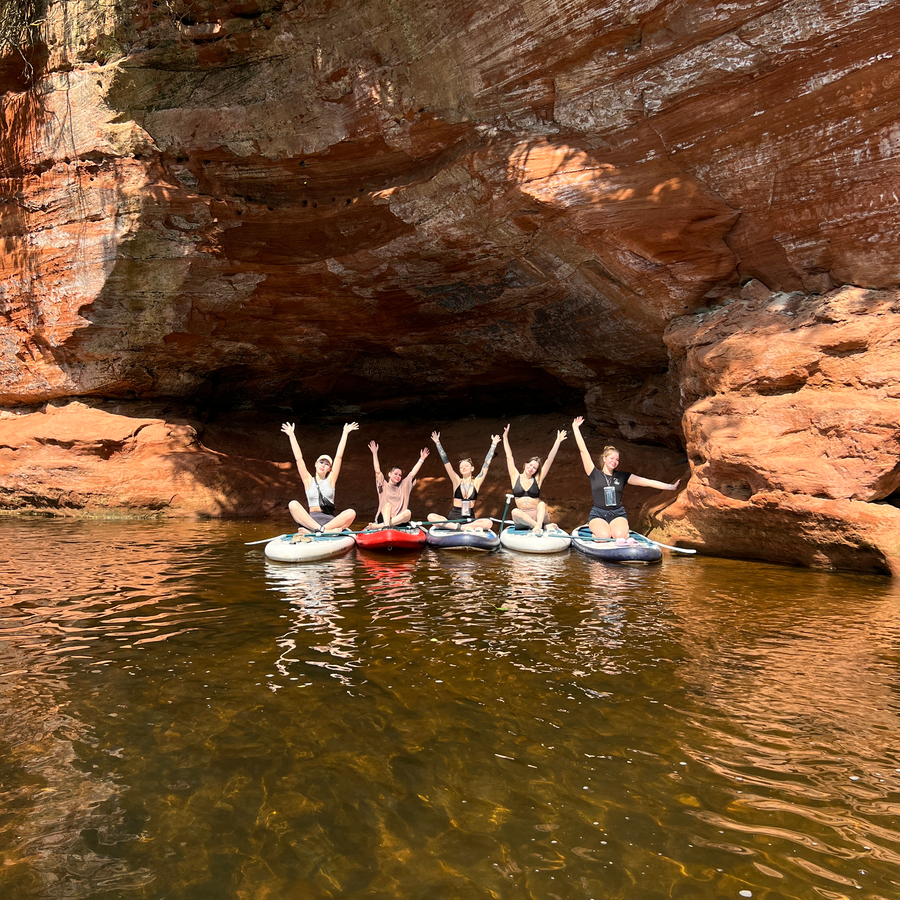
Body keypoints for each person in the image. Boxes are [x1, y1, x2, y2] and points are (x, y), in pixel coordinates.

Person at [572, 416, 681, 543]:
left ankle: (622, 534)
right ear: (604, 459)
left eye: (617, 459)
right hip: (598, 514)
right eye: (612, 458)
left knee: (620, 537)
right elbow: (583, 451)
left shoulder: (622, 476)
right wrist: (575, 429)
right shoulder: (594, 473)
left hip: (617, 514)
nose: (615, 462)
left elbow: (646, 482)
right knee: (604, 537)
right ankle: (596, 535)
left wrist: (670, 487)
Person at [280, 421, 358, 533]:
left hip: (330, 522)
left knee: (351, 512)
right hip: (310, 521)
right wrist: (292, 435)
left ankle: (319, 531)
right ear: (316, 464)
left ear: (330, 469)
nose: (323, 465)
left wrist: (345, 433)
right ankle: (320, 530)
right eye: (321, 462)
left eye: (327, 464)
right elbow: (299, 458)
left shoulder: (331, 480)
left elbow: (339, 456)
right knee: (292, 504)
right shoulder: (308, 480)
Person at [427, 430, 500, 531]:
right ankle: (460, 527)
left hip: (469, 519)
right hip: (454, 518)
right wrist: (437, 442)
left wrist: (493, 445)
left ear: (472, 468)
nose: (463, 468)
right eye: (461, 467)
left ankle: (460, 527)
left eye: (466, 466)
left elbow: (486, 465)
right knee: (431, 517)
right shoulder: (456, 480)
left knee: (488, 523)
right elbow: (446, 462)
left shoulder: (476, 482)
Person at [501, 423, 567, 533]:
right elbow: (509, 457)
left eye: (535, 468)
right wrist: (505, 437)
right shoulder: (515, 477)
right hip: (523, 518)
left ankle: (538, 525)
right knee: (514, 511)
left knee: (541, 504)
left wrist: (558, 441)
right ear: (525, 464)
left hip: (538, 516)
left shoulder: (538, 479)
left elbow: (549, 460)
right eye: (530, 465)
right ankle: (539, 527)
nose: (531, 468)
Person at [367, 441, 430, 528]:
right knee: (388, 505)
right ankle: (385, 524)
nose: (398, 476)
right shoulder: (383, 484)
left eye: (400, 475)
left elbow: (412, 473)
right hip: (384, 517)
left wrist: (421, 459)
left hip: (398, 520)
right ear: (389, 474)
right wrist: (374, 453)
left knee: (408, 512)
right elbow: (377, 471)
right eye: (395, 474)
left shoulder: (404, 485)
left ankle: (381, 526)